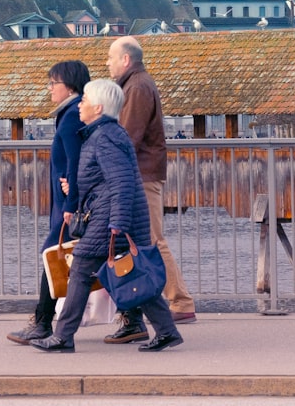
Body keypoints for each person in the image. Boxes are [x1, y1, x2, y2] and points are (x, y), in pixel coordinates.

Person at [31, 79, 182, 353]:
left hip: (109, 218)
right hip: (114, 216)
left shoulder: (105, 137)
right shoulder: (106, 134)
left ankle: (63, 336)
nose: (81, 105)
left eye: (85, 100)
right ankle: (167, 331)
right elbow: (107, 180)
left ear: (98, 108)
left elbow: (122, 183)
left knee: (80, 271)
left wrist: (118, 223)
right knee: (134, 273)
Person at [105, 35, 196, 343]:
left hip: (141, 173)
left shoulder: (138, 87)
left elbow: (128, 136)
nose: (107, 63)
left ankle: (180, 302)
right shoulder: (135, 84)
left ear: (126, 60)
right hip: (142, 172)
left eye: (111, 58)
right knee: (146, 241)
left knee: (153, 240)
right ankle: (146, 307)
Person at [7, 60, 90, 344]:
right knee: (91, 259)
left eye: (53, 83)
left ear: (69, 86)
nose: (49, 88)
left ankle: (42, 322)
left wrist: (70, 204)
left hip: (69, 202)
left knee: (51, 254)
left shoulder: (71, 116)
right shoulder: (72, 112)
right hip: (67, 200)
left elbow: (76, 161)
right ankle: (135, 316)